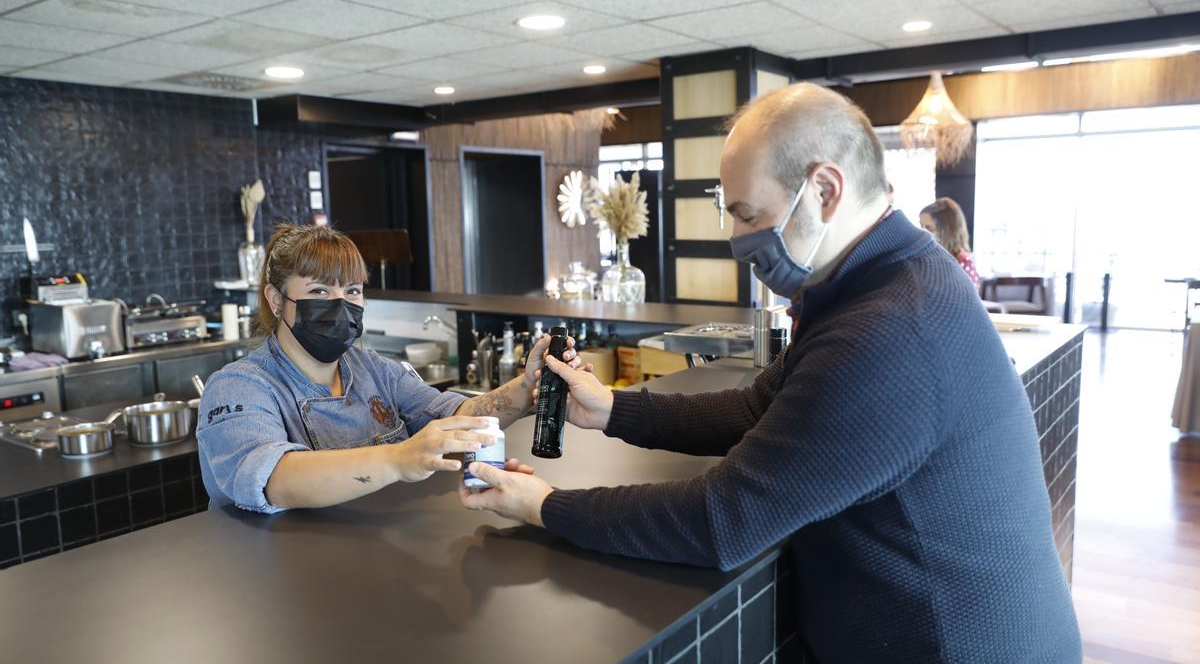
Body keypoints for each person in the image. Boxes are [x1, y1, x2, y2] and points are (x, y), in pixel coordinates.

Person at [460, 84, 1081, 662]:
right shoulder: (879, 280)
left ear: (824, 192)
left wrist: (547, 505)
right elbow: (762, 407)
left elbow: (724, 521)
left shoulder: (891, 327)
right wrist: (616, 410)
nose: (737, 236)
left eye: (749, 213)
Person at [197, 224, 583, 513]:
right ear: (276, 299)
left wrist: (527, 384)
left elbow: (455, 416)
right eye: (319, 291)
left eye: (351, 290)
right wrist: (400, 459)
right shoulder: (237, 387)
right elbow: (275, 479)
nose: (340, 303)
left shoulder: (374, 370)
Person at [920, 197, 982, 292]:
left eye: (929, 229)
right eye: (921, 226)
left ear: (947, 230)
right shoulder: (932, 257)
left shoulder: (963, 261)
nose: (922, 232)